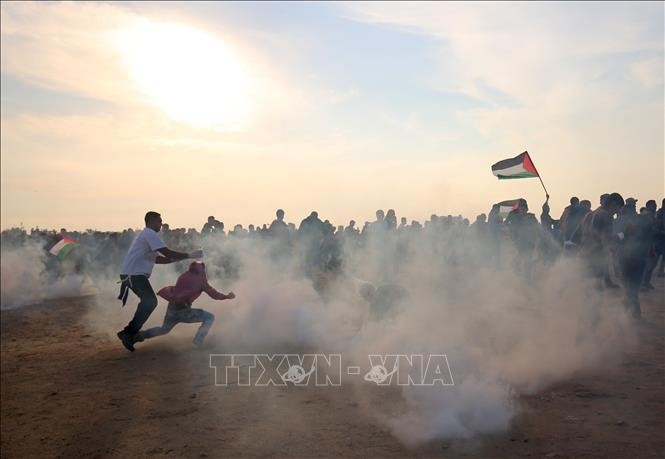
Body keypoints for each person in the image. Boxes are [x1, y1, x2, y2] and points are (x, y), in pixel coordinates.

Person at [117, 211, 202, 352]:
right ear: (151, 221)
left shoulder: (147, 235)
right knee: (150, 301)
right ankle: (128, 332)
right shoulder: (149, 234)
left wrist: (185, 257)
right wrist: (190, 255)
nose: (161, 224)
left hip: (133, 274)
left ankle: (129, 332)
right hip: (133, 274)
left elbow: (159, 259)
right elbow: (167, 253)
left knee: (149, 302)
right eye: (159, 221)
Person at [137, 261, 235, 347]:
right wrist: (227, 296)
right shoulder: (200, 279)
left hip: (172, 308)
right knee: (209, 317)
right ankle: (198, 340)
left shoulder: (184, 275)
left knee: (164, 329)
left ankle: (138, 336)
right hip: (183, 311)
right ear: (202, 269)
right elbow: (214, 294)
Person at [579, 193, 625, 289]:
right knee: (596, 291)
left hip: (585, 254)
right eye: (618, 208)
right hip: (596, 257)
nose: (617, 212)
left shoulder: (590, 214)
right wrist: (623, 234)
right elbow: (607, 240)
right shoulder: (606, 216)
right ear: (613, 204)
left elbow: (580, 234)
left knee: (588, 288)